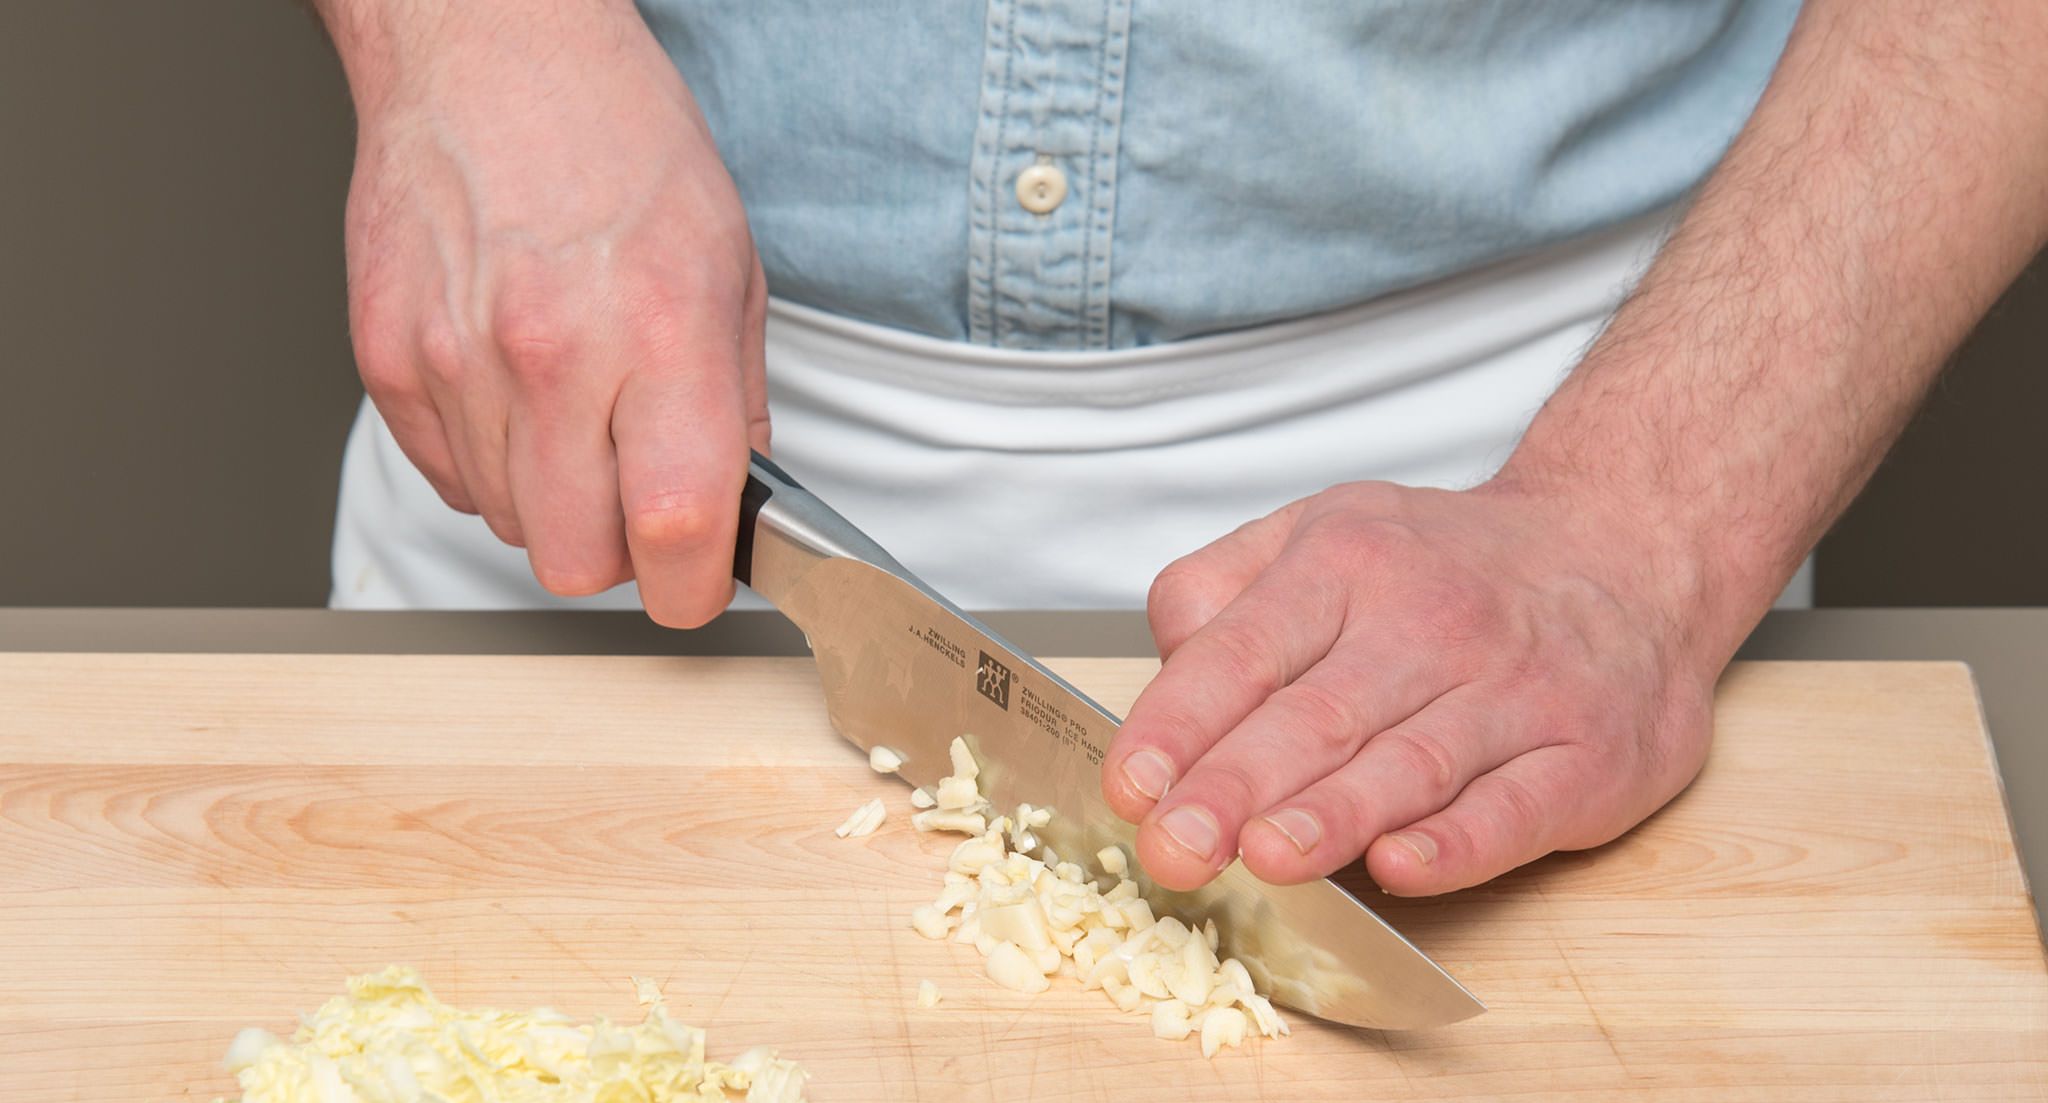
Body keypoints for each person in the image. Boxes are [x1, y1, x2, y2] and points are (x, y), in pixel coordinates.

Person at [312, 0, 2048, 898]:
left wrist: (1643, 530)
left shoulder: (1611, 538)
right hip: (568, 397)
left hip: (1557, 505)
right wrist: (472, 37)